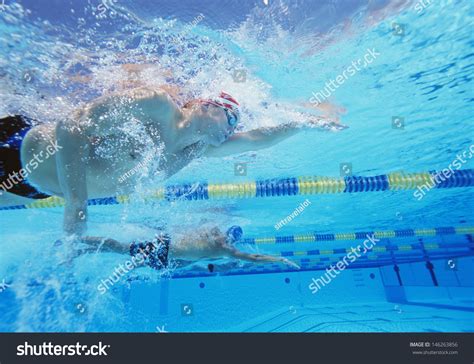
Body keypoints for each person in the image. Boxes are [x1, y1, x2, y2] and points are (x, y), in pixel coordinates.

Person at [0, 86, 346, 241]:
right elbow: (71, 124)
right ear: (203, 103)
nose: (234, 128)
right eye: (231, 116)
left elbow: (260, 138)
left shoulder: (195, 151)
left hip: (32, 190)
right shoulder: (155, 105)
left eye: (237, 124)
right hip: (14, 148)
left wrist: (305, 123)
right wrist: (77, 205)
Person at [76, 225, 300, 270]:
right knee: (120, 248)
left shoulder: (213, 232)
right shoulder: (225, 249)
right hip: (164, 251)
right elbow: (254, 257)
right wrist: (279, 260)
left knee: (121, 250)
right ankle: (81, 241)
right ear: (232, 238)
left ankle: (81, 247)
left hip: (165, 251)